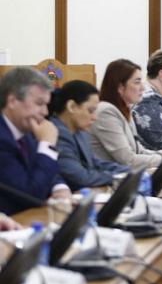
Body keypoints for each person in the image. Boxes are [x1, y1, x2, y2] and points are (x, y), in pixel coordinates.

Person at [0, 67, 70, 215]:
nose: (45, 112)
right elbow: (30, 195)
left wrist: (60, 188)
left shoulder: (26, 132)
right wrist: (48, 145)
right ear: (12, 101)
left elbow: (43, 169)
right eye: (39, 103)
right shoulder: (3, 139)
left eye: (46, 104)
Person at [49, 80, 129, 190]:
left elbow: (96, 163)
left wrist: (130, 171)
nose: (95, 117)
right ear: (71, 106)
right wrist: (118, 177)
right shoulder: (55, 133)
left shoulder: (80, 132)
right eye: (91, 111)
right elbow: (81, 178)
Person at [90, 59, 162, 169]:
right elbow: (128, 160)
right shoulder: (106, 112)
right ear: (120, 87)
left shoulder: (124, 109)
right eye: (137, 82)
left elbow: (139, 151)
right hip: (108, 177)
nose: (143, 88)